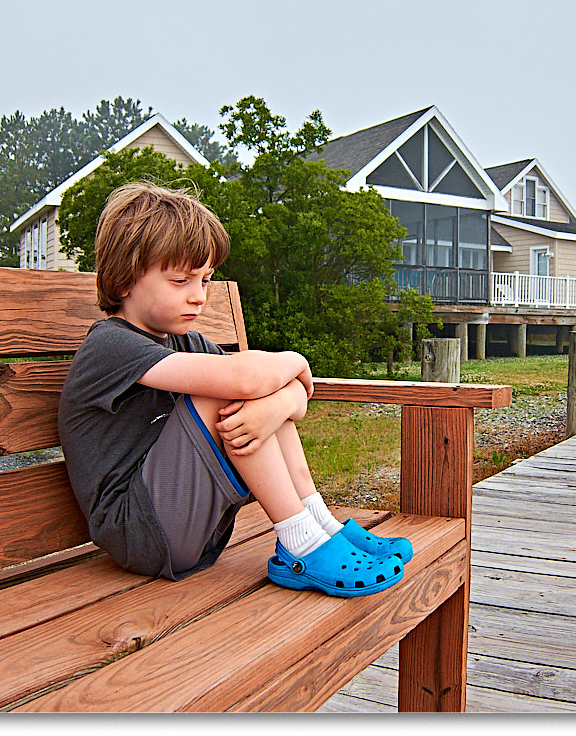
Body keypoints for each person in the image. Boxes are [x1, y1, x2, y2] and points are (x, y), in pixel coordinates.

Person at [58, 182, 411, 597]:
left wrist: (275, 404)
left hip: (191, 528)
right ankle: (300, 542)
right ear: (124, 281)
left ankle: (319, 524)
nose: (199, 297)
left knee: (248, 388)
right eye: (181, 280)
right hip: (140, 532)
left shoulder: (186, 342)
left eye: (206, 281)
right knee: (231, 386)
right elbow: (246, 381)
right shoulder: (110, 346)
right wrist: (296, 362)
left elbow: (293, 398)